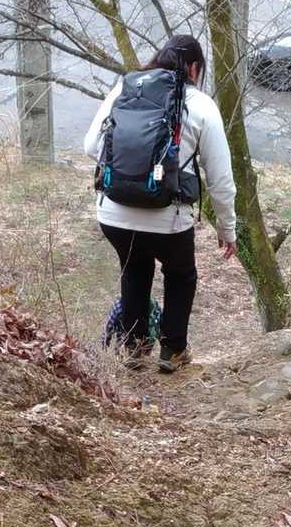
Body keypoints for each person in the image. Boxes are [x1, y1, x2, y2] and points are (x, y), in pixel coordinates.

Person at [83, 33, 237, 372]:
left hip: (114, 212)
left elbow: (90, 146)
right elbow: (220, 178)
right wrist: (227, 229)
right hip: (168, 216)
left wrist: (129, 173)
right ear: (194, 68)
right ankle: (173, 350)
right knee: (181, 274)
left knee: (134, 268)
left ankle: (134, 346)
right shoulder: (200, 104)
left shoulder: (125, 88)